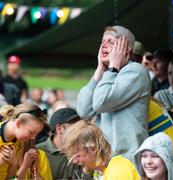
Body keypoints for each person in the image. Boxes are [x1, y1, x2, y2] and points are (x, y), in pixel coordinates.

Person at [77, 25, 151, 160]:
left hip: (127, 160)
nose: (104, 45)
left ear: (127, 48)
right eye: (102, 42)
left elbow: (101, 103)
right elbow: (84, 111)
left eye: (111, 42)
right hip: (107, 160)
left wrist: (112, 68)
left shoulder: (136, 71)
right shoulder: (108, 73)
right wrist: (100, 69)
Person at [63, 120, 140, 180]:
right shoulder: (99, 170)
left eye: (78, 156)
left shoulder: (117, 172)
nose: (74, 161)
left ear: (93, 149)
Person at [36, 107, 91, 179]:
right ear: (59, 129)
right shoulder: (38, 152)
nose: (79, 130)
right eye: (74, 127)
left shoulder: (83, 150)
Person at [0, 103, 47, 179]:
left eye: (36, 134)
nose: (33, 138)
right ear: (18, 123)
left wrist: (14, 165)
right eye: (31, 132)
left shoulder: (20, 142)